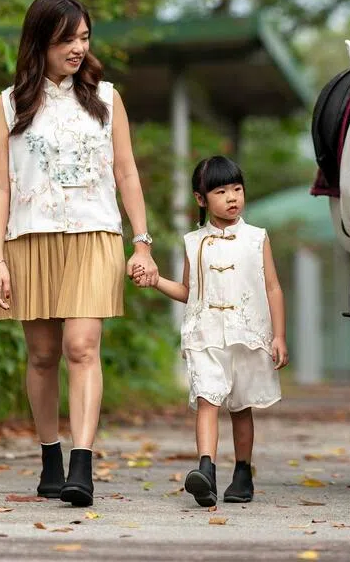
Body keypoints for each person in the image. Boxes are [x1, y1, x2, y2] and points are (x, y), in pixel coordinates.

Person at [0, 0, 158, 508]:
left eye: (84, 37)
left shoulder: (107, 98)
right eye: (67, 39)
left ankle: (82, 466)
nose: (78, 48)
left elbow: (125, 170)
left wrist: (142, 240)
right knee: (41, 355)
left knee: (80, 347)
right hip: (29, 238)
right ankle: (50, 457)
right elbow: (0, 185)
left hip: (94, 233)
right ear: (40, 41)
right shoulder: (7, 104)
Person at [132, 155, 289, 507]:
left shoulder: (256, 238)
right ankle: (206, 469)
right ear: (201, 199)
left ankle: (243, 472)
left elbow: (274, 288)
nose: (232, 197)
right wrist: (157, 282)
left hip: (248, 335)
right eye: (221, 191)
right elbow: (190, 292)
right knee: (207, 398)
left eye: (237, 189)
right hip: (205, 334)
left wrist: (278, 335)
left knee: (241, 407)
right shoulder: (193, 242)